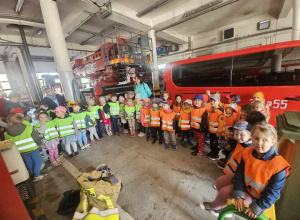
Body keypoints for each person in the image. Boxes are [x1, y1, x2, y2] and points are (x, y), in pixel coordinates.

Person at [201, 124, 290, 218]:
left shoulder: (279, 166)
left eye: (265, 140)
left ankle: (215, 208)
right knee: (219, 181)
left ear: (273, 142)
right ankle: (224, 203)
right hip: (245, 184)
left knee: (224, 192)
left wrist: (257, 207)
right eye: (256, 138)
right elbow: (240, 173)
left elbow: (273, 192)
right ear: (251, 138)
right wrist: (239, 194)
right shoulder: (247, 152)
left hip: (256, 197)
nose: (259, 143)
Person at [4, 113, 48, 182]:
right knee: (38, 161)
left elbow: (9, 143)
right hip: (32, 148)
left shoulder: (6, 133)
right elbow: (36, 137)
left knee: (29, 162)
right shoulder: (29, 127)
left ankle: (33, 174)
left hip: (21, 151)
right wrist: (39, 143)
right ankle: (36, 175)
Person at [207, 92, 224, 160]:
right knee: (212, 143)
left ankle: (215, 155)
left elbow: (221, 123)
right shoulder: (211, 109)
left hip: (216, 132)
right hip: (211, 130)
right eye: (211, 101)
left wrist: (219, 132)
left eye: (214, 101)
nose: (212, 102)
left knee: (215, 144)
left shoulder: (220, 112)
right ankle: (212, 152)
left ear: (218, 101)